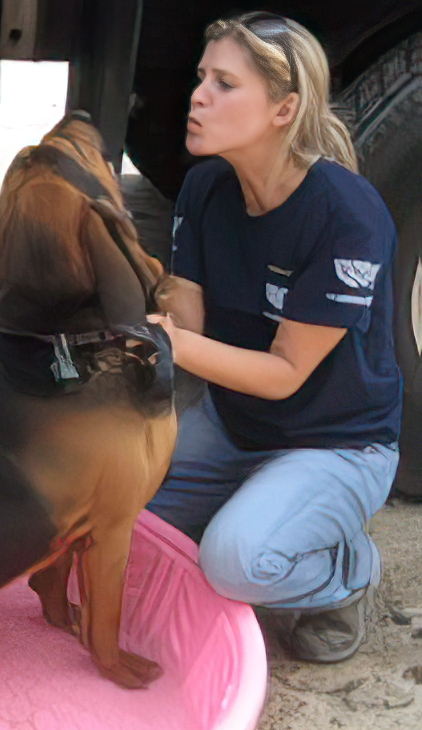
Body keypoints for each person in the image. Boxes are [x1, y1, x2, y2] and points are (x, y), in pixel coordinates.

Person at [147, 12, 402, 663]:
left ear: (284, 108)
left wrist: (166, 340)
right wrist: (136, 293)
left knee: (233, 563)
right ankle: (260, 508)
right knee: (126, 516)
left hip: (338, 442)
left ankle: (345, 573)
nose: (198, 95)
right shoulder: (205, 188)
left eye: (225, 83)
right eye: (201, 77)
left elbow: (286, 371)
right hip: (238, 424)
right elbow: (191, 327)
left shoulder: (347, 216)